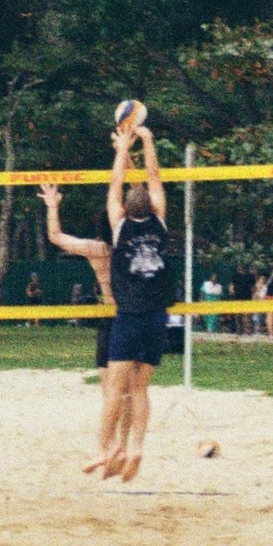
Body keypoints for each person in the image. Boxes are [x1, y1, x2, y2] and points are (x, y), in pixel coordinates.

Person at [37, 108, 173, 481]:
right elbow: (149, 182)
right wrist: (143, 141)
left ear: (123, 215)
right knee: (135, 391)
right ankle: (130, 448)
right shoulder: (159, 225)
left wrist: (121, 150)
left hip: (123, 317)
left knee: (115, 391)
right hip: (154, 316)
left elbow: (120, 188)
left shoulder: (113, 237)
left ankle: (107, 448)